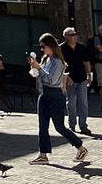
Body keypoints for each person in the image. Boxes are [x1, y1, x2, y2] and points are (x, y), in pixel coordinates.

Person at [28, 34, 87, 165]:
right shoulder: (46, 60)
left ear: (51, 46)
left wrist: (39, 68)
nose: (42, 50)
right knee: (42, 126)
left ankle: (80, 147)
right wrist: (34, 67)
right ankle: (43, 155)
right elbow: (38, 76)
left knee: (59, 127)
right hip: (44, 95)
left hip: (55, 95)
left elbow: (52, 80)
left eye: (43, 47)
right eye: (41, 47)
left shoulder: (57, 62)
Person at [59, 27, 93, 136]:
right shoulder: (61, 49)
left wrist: (89, 75)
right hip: (70, 79)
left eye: (75, 34)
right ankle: (72, 124)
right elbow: (59, 65)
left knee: (83, 101)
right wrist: (65, 77)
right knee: (71, 102)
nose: (75, 36)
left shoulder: (81, 47)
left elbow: (87, 62)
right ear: (66, 37)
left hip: (82, 78)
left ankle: (83, 125)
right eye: (72, 35)